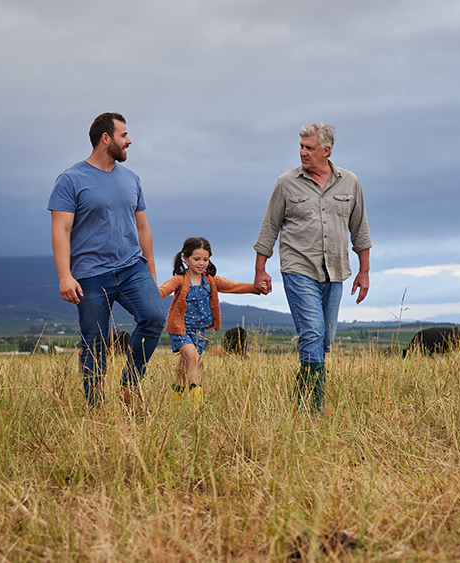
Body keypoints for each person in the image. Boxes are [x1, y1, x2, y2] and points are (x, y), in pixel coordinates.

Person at [253, 122, 372, 416]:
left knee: (325, 337)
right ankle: (312, 407)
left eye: (309, 148)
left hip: (335, 271)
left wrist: (364, 271)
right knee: (313, 331)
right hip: (298, 268)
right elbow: (269, 228)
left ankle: (304, 392)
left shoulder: (350, 182)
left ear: (326, 150)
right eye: (301, 148)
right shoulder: (285, 183)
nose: (303, 153)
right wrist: (261, 270)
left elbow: (360, 231)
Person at [48, 112, 165, 407]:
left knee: (153, 317)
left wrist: (150, 272)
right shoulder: (71, 179)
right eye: (123, 135)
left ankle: (130, 383)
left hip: (130, 267)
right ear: (106, 139)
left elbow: (143, 227)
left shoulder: (131, 179)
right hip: (90, 274)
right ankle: (96, 409)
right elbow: (61, 229)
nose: (129, 141)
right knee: (94, 342)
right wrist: (65, 275)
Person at [159, 237, 260, 407]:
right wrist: (145, 294)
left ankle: (174, 407)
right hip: (180, 329)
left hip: (199, 332)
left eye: (205, 259)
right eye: (196, 259)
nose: (201, 263)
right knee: (196, 361)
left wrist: (256, 288)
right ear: (186, 258)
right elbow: (163, 290)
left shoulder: (210, 280)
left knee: (183, 368)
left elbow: (233, 286)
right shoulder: (180, 279)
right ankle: (198, 407)